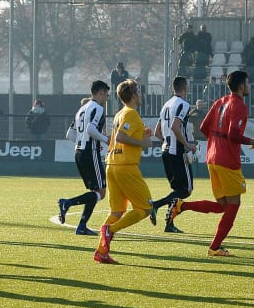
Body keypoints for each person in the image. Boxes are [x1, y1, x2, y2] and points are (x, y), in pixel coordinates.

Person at [167, 70, 254, 257]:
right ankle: (215, 247)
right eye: (247, 83)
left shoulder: (221, 101)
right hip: (227, 161)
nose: (249, 86)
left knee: (222, 205)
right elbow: (233, 135)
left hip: (212, 158)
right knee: (234, 204)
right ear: (241, 86)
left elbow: (204, 127)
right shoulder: (239, 106)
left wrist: (218, 143)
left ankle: (181, 206)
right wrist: (253, 142)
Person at [93, 79, 154, 264]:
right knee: (145, 208)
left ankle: (101, 252)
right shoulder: (131, 114)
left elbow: (119, 137)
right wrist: (143, 142)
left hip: (112, 165)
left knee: (117, 211)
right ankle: (109, 231)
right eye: (139, 92)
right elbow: (121, 136)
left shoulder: (120, 113)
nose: (141, 96)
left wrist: (143, 136)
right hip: (125, 167)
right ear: (134, 95)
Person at [58, 81, 111, 235]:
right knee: (101, 192)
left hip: (79, 152)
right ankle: (67, 203)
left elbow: (70, 134)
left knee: (95, 191)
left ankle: (82, 226)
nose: (106, 99)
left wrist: (85, 141)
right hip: (90, 153)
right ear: (100, 92)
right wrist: (105, 139)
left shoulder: (82, 109)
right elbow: (90, 129)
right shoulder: (98, 108)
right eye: (106, 95)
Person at [149, 76, 198, 233]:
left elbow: (157, 132)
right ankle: (156, 205)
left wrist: (168, 141)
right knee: (186, 189)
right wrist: (187, 144)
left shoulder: (166, 105)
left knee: (177, 190)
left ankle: (169, 224)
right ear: (186, 88)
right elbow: (175, 126)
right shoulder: (183, 104)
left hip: (166, 150)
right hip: (177, 151)